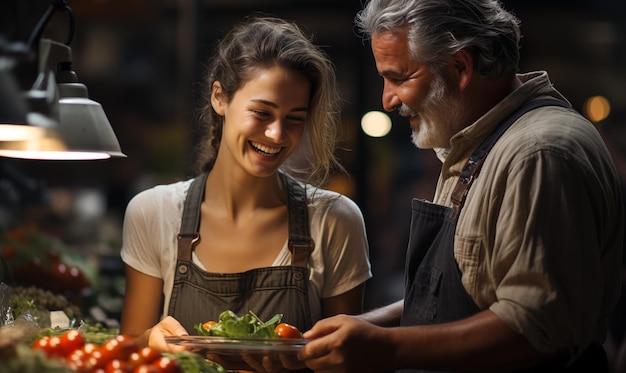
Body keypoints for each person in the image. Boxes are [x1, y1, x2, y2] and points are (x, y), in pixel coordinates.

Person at [298, 0, 624, 372]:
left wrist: (386, 346)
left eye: (400, 77)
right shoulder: (474, 145)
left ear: (460, 67)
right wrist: (366, 325)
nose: (387, 99)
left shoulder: (538, 152)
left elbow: (535, 326)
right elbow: (465, 295)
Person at [118, 15, 372, 370]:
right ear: (220, 98)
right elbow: (125, 356)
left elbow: (346, 362)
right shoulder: (153, 212)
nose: (277, 134)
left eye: (295, 118)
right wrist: (150, 341)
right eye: (261, 112)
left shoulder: (335, 219)